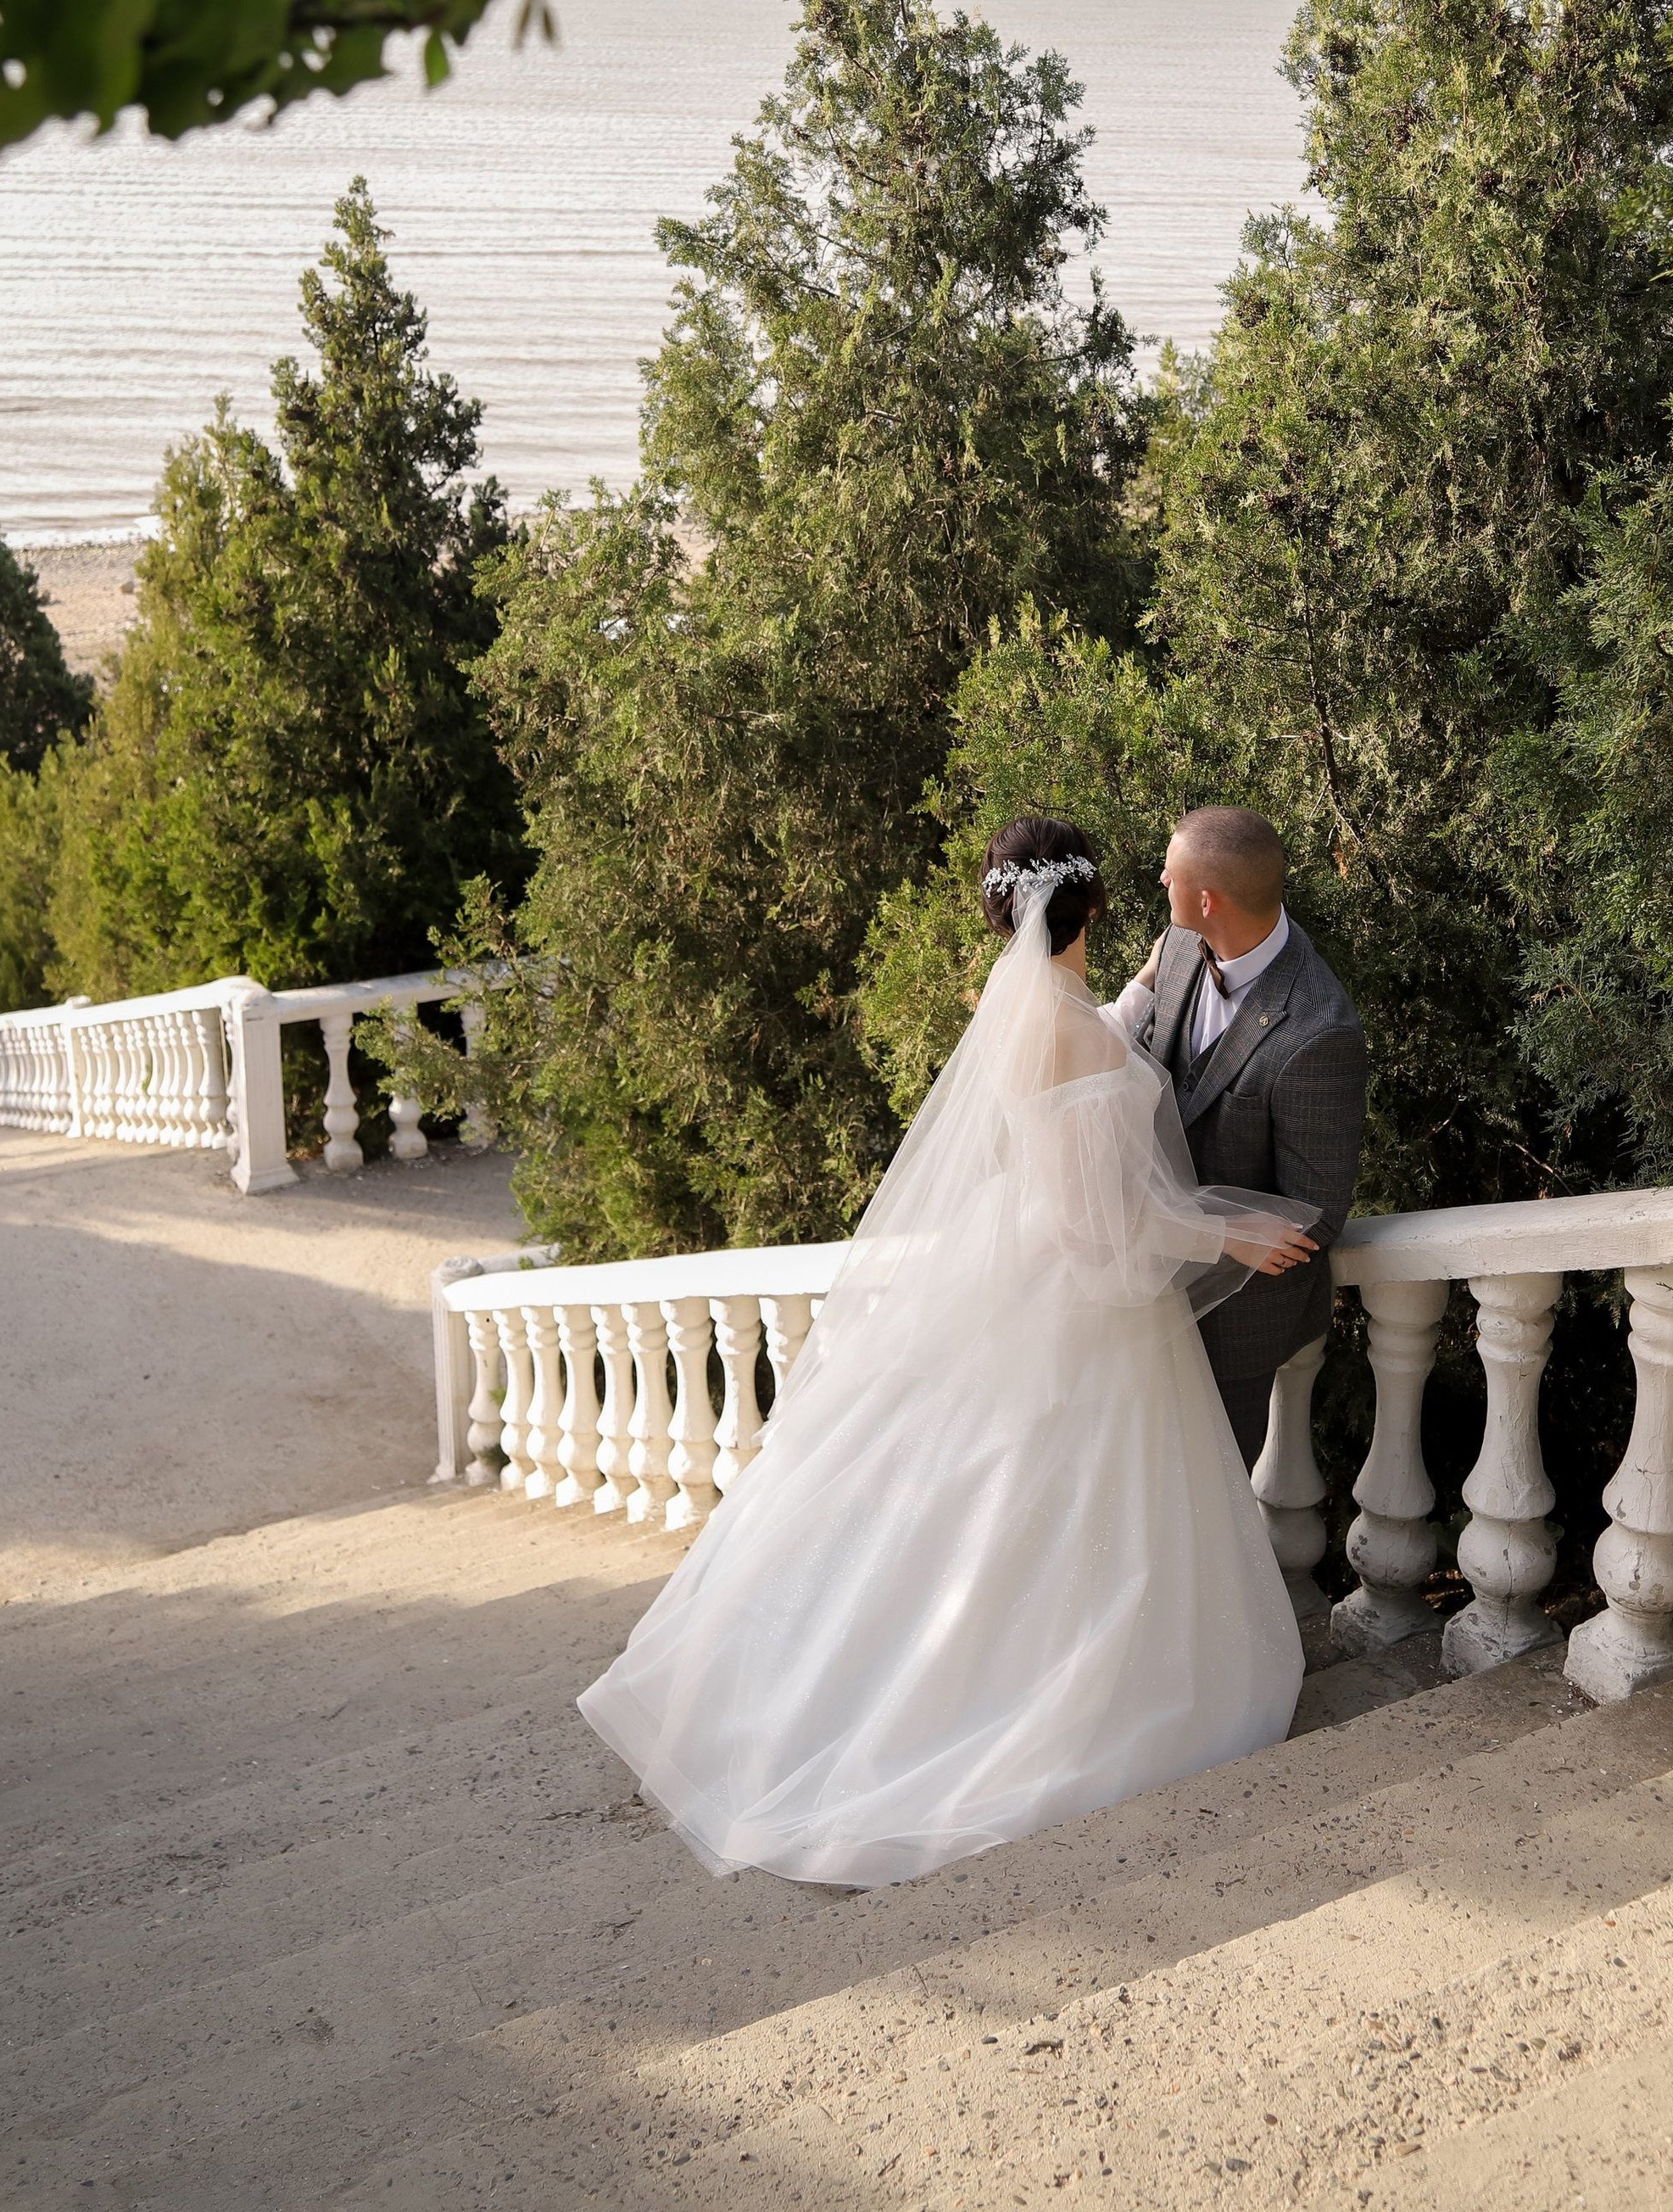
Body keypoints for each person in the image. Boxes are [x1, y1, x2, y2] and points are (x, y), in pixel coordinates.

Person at [577, 813, 1320, 1887]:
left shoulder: (1016, 1004)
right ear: (1090, 903)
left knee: (977, 1496)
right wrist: (1226, 1232)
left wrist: (1132, 999)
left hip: (1010, 1256)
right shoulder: (1068, 1029)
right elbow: (1098, 1224)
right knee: (1052, 1502)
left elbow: (1081, 1066)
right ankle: (1022, 1705)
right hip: (1076, 1293)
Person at [1112, 807, 1366, 1472]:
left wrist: (1206, 1235)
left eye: (1171, 871)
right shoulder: (1176, 945)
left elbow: (1315, 1214)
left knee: (1206, 1503)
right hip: (1139, 1301)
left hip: (1234, 1332)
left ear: (1208, 901)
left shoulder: (1318, 1031)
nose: (1160, 877)